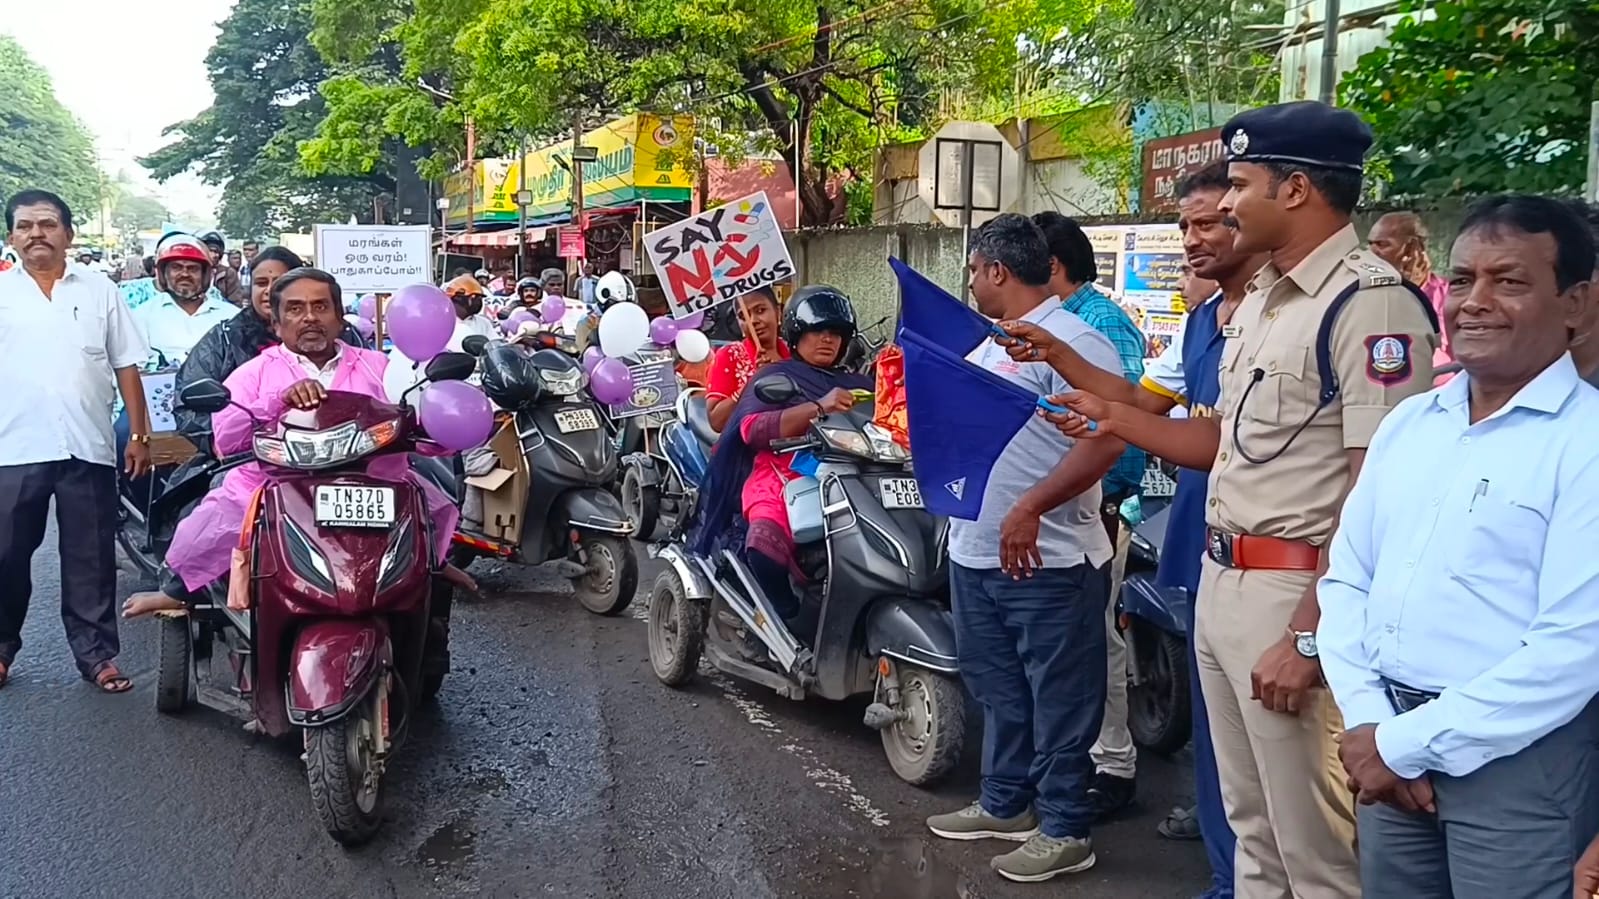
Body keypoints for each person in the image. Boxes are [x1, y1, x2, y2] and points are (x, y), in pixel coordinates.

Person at [1036, 102, 1440, 899]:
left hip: (1294, 594)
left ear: (1293, 191)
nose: (1223, 206)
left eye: (1241, 185)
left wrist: (1311, 634)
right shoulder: (1263, 300)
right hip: (1223, 579)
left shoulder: (1370, 305)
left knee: (1315, 850)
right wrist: (1114, 415)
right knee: (1250, 830)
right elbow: (1222, 437)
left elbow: (1381, 487)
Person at [1316, 196, 1599, 899]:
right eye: (1463, 278)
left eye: (1508, 281)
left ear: (1575, 304)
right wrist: (1369, 724)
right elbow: (1347, 581)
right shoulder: (1413, 422)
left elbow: (1573, 647)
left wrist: (1398, 745)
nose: (1474, 301)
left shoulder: (1585, 442)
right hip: (1388, 741)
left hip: (1517, 766)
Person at [1002, 160, 1261, 898]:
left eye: (1211, 220)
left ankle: (1126, 782)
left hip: (1269, 554)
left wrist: (1104, 438)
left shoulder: (1305, 314)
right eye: (1184, 225)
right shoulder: (1208, 322)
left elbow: (1174, 430)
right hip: (1203, 525)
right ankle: (1224, 868)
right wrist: (1063, 367)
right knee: (1223, 733)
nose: (1191, 241)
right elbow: (1139, 404)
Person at [923, 213, 1125, 885]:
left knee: (1059, 694)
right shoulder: (992, 342)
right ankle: (1004, 802)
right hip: (975, 548)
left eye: (973, 272)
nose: (971, 282)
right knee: (997, 685)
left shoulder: (1075, 340)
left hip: (1050, 556)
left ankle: (1065, 825)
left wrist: (1031, 505)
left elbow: (1108, 435)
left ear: (993, 271)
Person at [122, 268, 461, 619]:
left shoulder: (380, 367)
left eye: (321, 306)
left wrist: (438, 429)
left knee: (430, 505)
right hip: (277, 486)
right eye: (296, 309)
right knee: (215, 515)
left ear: (340, 316)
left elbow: (423, 428)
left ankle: (434, 566)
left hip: (376, 484)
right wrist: (277, 400)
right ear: (277, 322)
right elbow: (226, 440)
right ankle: (177, 591)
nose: (310, 317)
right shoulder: (255, 372)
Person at [0, 189, 152, 693]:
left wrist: (139, 433)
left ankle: (97, 656)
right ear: (11, 237)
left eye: (47, 224)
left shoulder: (99, 290)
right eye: (25, 226)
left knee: (90, 556)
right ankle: (1, 651)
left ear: (68, 233)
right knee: (5, 553)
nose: (36, 234)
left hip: (87, 446)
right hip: (13, 448)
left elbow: (125, 363)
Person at [1031, 210, 1149, 821]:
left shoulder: (1100, 325)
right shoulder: (1045, 324)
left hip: (1092, 509)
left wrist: (1105, 497)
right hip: (1053, 512)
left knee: (1096, 639)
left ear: (1049, 266)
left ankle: (1114, 764)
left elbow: (1124, 422)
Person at [689, 286, 871, 631]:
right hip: (774, 470)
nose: (826, 340)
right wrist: (807, 403)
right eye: (817, 332)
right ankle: (783, 616)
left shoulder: (849, 379)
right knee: (763, 544)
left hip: (846, 470)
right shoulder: (763, 370)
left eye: (835, 333)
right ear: (800, 333)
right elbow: (743, 427)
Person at [175, 247, 365, 453]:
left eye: (279, 282)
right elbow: (191, 407)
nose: (269, 291)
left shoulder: (342, 335)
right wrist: (225, 445)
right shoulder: (226, 337)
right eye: (261, 283)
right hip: (248, 459)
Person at [132, 233, 240, 367]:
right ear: (164, 273)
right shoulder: (142, 316)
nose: (184, 274)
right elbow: (131, 370)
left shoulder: (231, 316)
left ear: (205, 274)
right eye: (176, 267)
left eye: (192, 268)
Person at [1368, 212, 1451, 366]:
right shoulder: (1365, 292)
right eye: (1370, 244)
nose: (1371, 253)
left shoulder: (1448, 295)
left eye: (1382, 244)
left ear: (1412, 248)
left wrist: (1412, 291)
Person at [705, 287, 790, 431]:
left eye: (760, 310)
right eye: (743, 316)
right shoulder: (729, 355)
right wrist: (753, 382)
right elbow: (716, 422)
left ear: (778, 312)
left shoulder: (795, 352)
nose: (753, 321)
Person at [442, 274, 499, 350]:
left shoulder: (483, 323)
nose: (479, 302)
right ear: (459, 298)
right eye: (475, 297)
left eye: (480, 298)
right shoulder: (442, 322)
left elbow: (495, 346)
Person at [197, 230, 246, 306]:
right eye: (211, 251)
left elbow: (236, 303)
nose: (214, 255)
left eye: (217, 252)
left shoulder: (228, 273)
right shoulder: (194, 272)